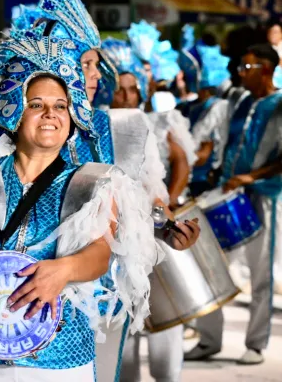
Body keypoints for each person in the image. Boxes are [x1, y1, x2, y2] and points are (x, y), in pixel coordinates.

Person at [0, 25, 161, 382]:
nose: (50, 114)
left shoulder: (96, 181)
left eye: (60, 106)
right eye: (37, 105)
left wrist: (63, 270)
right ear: (14, 113)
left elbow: (100, 251)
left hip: (61, 356)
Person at [25, 0, 200, 382]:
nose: (94, 75)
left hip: (101, 292)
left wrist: (166, 228)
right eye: (84, 64)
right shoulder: (24, 129)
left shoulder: (123, 128)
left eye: (94, 64)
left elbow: (146, 206)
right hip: (30, 287)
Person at [185, 44, 282, 366]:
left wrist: (249, 178)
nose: (240, 73)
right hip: (229, 195)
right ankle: (209, 338)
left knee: (261, 274)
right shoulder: (240, 99)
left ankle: (256, 344)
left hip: (265, 197)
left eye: (247, 68)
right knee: (211, 264)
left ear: (266, 69)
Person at [102, 39, 197, 382]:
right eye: (118, 89)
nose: (125, 96)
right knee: (118, 335)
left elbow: (156, 186)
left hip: (145, 238)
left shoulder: (143, 123)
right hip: (101, 246)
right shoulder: (91, 124)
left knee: (163, 322)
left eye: (131, 89)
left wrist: (169, 223)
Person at [177, 44, 232, 197]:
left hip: (201, 184)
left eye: (188, 72)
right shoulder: (186, 107)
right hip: (183, 179)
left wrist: (175, 159)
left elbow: (203, 156)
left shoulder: (217, 107)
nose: (182, 76)